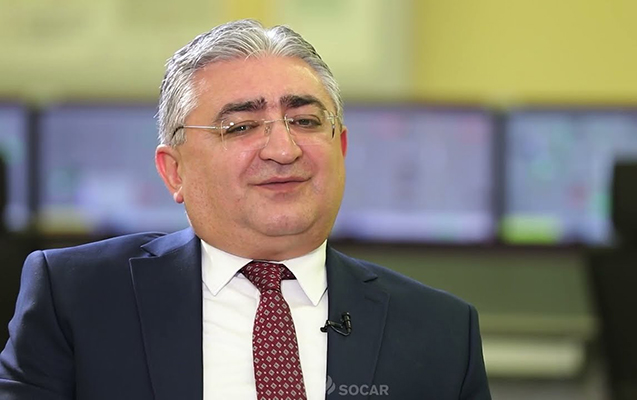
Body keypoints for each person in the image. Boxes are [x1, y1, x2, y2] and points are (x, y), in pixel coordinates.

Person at [0, 19, 491, 399]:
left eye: (305, 120)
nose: (283, 149)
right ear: (174, 171)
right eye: (240, 127)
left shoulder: (442, 331)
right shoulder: (76, 298)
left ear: (340, 149)